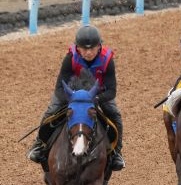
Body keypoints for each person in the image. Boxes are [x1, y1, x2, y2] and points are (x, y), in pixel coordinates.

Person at [27, 25, 125, 171]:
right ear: (77, 48)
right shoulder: (70, 58)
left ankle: (117, 152)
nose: (88, 52)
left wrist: (95, 99)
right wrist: (72, 100)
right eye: (84, 49)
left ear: (99, 46)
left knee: (115, 115)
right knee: (51, 111)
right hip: (71, 93)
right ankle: (39, 145)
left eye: (92, 48)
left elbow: (111, 91)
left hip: (98, 95)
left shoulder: (107, 60)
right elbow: (60, 87)